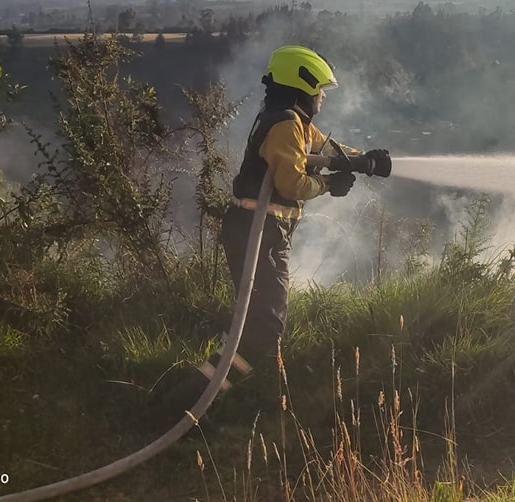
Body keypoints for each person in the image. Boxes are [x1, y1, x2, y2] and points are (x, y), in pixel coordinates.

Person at [150, 45, 391, 423]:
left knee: (257, 324)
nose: (323, 96)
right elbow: (292, 181)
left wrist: (365, 161)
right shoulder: (283, 124)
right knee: (265, 327)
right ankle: (187, 405)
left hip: (260, 233)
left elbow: (323, 146)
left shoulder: (291, 122)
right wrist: (327, 185)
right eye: (320, 90)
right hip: (256, 233)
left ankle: (191, 395)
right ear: (303, 86)